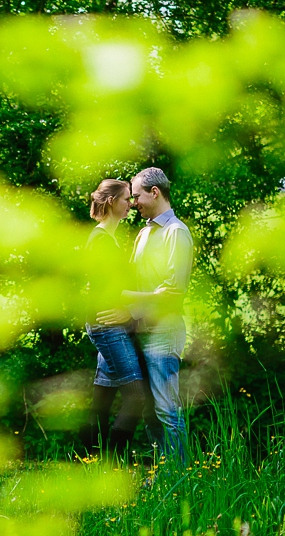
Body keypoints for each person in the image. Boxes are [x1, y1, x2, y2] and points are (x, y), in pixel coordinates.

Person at [97, 167, 193, 462]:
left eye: (136, 196)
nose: (133, 202)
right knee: (150, 411)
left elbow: (173, 294)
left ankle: (180, 474)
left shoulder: (176, 233)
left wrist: (128, 311)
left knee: (166, 409)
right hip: (140, 332)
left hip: (163, 333)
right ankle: (165, 474)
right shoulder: (143, 233)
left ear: (155, 192)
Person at [80, 178, 147, 460]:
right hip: (107, 324)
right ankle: (113, 465)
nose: (131, 204)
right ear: (111, 203)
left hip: (108, 321)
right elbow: (103, 288)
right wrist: (150, 297)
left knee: (103, 398)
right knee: (137, 398)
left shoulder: (106, 238)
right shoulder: (101, 240)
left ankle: (82, 460)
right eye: (125, 199)